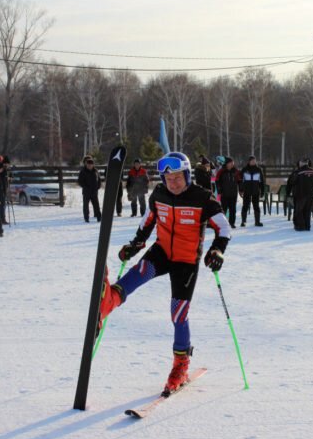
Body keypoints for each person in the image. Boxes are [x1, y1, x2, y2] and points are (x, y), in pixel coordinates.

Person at [98, 152, 232, 395]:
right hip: (162, 252)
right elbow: (148, 221)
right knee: (139, 272)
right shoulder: (159, 194)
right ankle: (108, 302)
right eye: (168, 179)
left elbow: (224, 227)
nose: (173, 183)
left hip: (186, 261)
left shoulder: (203, 198)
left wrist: (217, 251)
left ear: (188, 175)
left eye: (178, 178)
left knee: (178, 313)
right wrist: (136, 244)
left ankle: (181, 364)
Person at [292, 159, 313, 231]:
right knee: (308, 211)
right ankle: (307, 226)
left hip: (301, 194)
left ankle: (301, 226)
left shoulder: (298, 172)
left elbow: (294, 182)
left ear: (301, 163)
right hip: (311, 194)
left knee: (299, 210)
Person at [215, 157, 241, 228]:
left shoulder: (236, 171)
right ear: (227, 163)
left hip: (233, 193)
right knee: (224, 209)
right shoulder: (221, 171)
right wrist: (219, 190)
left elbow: (239, 181)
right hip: (224, 194)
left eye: (233, 162)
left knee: (233, 209)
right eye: (230, 163)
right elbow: (217, 181)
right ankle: (223, 223)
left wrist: (241, 190)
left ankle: (232, 223)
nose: (232, 164)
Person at [240, 156, 265, 227]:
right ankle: (243, 221)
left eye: (254, 161)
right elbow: (241, 181)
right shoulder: (244, 170)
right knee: (245, 206)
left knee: (256, 206)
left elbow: (262, 181)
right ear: (249, 161)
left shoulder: (259, 170)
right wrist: (241, 190)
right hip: (247, 191)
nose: (254, 162)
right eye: (252, 161)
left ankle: (257, 221)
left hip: (256, 191)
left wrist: (262, 191)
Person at [78, 156, 102, 223]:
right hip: (86, 192)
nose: (90, 166)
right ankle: (86, 218)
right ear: (86, 164)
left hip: (94, 191)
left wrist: (98, 187)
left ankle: (99, 217)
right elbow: (80, 181)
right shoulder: (83, 171)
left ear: (93, 165)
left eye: (91, 164)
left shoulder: (96, 171)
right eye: (88, 164)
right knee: (86, 206)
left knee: (96, 205)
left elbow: (99, 180)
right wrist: (85, 187)